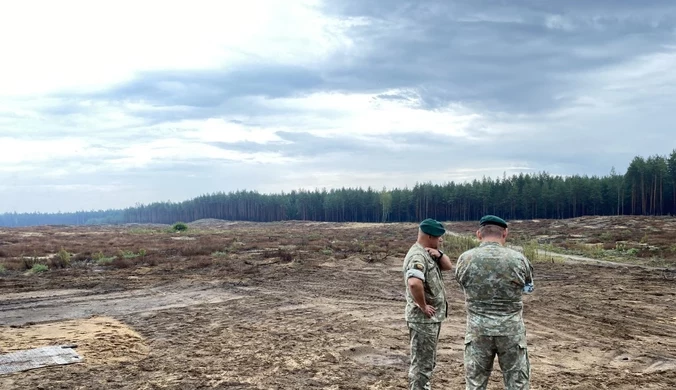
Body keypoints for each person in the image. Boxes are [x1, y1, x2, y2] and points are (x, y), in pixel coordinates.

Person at [454, 215, 535, 390]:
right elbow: (528, 287)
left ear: (478, 234)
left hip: (478, 331)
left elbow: (461, 282)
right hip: (511, 331)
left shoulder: (465, 259)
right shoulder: (519, 259)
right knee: (517, 383)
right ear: (505, 233)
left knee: (475, 384)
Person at [402, 218, 453, 390]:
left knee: (427, 362)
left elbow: (448, 267)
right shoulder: (418, 256)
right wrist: (423, 305)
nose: (441, 240)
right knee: (422, 365)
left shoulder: (428, 252)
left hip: (430, 320)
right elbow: (414, 283)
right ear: (430, 236)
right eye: (439, 237)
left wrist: (439, 254)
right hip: (423, 320)